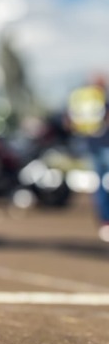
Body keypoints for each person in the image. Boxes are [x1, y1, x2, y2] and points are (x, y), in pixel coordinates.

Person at [64, 74, 109, 243]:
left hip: (91, 145)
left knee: (100, 185)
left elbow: (68, 122)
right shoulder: (100, 97)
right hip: (105, 144)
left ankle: (105, 222)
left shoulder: (80, 97)